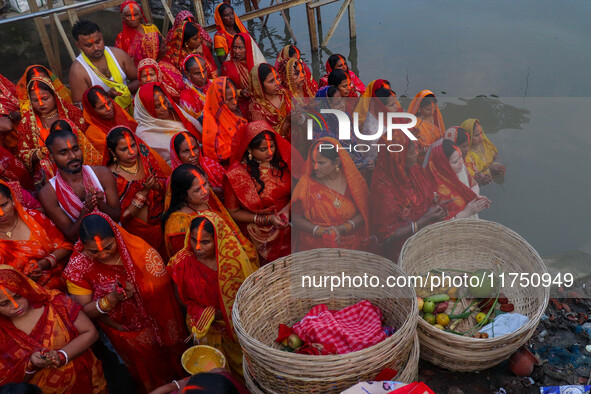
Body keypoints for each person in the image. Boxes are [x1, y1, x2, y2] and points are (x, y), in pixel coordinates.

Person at [63, 213, 186, 393]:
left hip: (161, 318)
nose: (103, 255)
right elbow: (82, 312)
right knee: (148, 369)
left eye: (108, 247)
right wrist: (110, 300)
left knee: (177, 358)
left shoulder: (136, 249)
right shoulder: (77, 267)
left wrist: (139, 289)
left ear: (116, 236)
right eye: (93, 251)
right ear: (82, 245)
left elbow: (161, 283)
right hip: (124, 331)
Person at [168, 213, 256, 378]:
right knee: (213, 372)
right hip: (202, 329)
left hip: (232, 326)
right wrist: (200, 314)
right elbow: (179, 295)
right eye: (194, 240)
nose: (198, 247)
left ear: (219, 240)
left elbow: (246, 298)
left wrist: (220, 313)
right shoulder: (180, 262)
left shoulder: (234, 263)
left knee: (241, 369)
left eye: (205, 242)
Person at [0, 265, 106, 393]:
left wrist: (62, 356)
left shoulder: (55, 302)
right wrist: (31, 365)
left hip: (85, 381)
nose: (16, 306)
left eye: (18, 296)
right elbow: (7, 382)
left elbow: (90, 333)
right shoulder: (2, 333)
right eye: (4, 304)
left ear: (25, 287)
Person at [224, 121, 294, 264]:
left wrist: (287, 210)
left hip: (289, 228)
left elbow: (300, 190)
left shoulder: (283, 164)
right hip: (259, 239)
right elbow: (233, 212)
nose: (270, 152)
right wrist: (266, 220)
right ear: (250, 149)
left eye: (272, 146)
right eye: (263, 149)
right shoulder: (237, 175)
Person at [162, 164, 258, 267]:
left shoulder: (207, 199)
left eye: (205, 184)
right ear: (183, 195)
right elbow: (188, 263)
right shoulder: (178, 224)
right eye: (197, 190)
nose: (205, 191)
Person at [370, 132, 446, 261]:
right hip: (402, 252)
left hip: (425, 237)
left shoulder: (413, 171)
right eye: (412, 151)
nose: (416, 153)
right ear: (397, 156)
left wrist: (436, 205)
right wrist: (424, 220)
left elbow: (426, 195)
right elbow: (387, 237)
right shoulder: (383, 189)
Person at [15, 77, 102, 188]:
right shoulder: (26, 122)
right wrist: (41, 153)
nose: (41, 104)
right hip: (47, 170)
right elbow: (22, 154)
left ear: (54, 95)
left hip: (76, 160)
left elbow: (86, 141)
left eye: (45, 98)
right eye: (35, 100)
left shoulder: (71, 112)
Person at [38, 129, 121, 243]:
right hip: (85, 248)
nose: (72, 156)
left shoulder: (102, 173)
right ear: (52, 158)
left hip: (117, 237)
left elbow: (117, 217)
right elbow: (71, 235)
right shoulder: (48, 193)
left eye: (75, 149)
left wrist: (100, 204)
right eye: (63, 153)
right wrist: (86, 209)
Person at [292, 138, 370, 251]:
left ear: (337, 162)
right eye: (313, 162)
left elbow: (364, 211)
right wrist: (321, 231)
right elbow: (296, 217)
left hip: (351, 248)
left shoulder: (353, 183)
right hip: (315, 250)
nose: (315, 167)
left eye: (321, 163)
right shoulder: (306, 185)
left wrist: (343, 228)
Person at [105, 126, 169, 255]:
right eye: (124, 149)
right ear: (113, 152)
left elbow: (166, 183)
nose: (132, 151)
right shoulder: (111, 176)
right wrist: (143, 193)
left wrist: (156, 186)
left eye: (133, 145)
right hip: (138, 236)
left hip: (163, 224)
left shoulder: (145, 158)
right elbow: (122, 217)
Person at [0, 181, 72, 290]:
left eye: (4, 205)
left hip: (63, 283)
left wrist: (43, 264)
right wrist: (23, 279)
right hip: (22, 297)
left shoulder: (35, 218)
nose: (1, 213)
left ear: (12, 200)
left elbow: (65, 247)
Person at [69, 20, 139, 111]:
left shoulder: (119, 55)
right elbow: (80, 107)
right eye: (88, 45)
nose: (96, 48)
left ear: (102, 36)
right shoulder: (77, 71)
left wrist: (124, 90)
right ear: (78, 45)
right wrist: (107, 96)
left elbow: (139, 80)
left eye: (98, 42)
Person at [134, 82, 202, 163]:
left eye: (165, 102)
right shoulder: (144, 134)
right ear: (146, 109)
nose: (164, 108)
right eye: (157, 106)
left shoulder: (176, 113)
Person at [424, 139, 491, 220]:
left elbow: (473, 184)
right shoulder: (432, 190)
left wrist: (475, 197)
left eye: (460, 157)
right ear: (442, 165)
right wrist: (467, 212)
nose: (461, 163)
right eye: (455, 162)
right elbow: (437, 223)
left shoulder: (461, 169)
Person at [160, 20, 217, 97]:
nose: (200, 41)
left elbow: (212, 73)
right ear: (186, 42)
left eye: (199, 37)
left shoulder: (197, 51)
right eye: (195, 39)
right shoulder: (175, 59)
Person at [202, 77, 248, 164]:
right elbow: (217, 153)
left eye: (236, 97)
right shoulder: (211, 124)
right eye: (230, 99)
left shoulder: (238, 111)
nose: (235, 102)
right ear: (219, 100)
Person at [82, 85, 138, 153]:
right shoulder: (92, 134)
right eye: (101, 107)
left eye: (109, 103)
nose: (109, 108)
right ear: (92, 111)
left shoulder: (121, 116)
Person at [221, 32, 266, 116]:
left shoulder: (258, 65)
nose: (236, 51)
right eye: (234, 47)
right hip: (238, 103)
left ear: (248, 48)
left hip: (259, 100)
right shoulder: (227, 66)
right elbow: (223, 89)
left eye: (240, 48)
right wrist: (240, 92)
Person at [168, 132, 225, 197]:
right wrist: (210, 191)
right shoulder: (177, 180)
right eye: (186, 151)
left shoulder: (209, 163)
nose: (193, 155)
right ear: (176, 155)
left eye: (194, 148)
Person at [249, 63, 292, 140]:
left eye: (277, 78)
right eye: (271, 81)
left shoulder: (284, 93)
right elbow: (264, 139)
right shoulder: (256, 108)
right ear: (259, 85)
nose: (278, 83)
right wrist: (287, 123)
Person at [407, 90, 445, 160]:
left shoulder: (436, 121)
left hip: (435, 158)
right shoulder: (413, 124)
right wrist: (426, 149)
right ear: (419, 109)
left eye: (434, 108)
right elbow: (409, 148)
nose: (432, 112)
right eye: (428, 109)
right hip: (418, 160)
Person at [180, 54, 212, 121]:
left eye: (204, 71)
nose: (203, 76)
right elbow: (193, 124)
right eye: (197, 73)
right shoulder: (186, 98)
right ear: (187, 74)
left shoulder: (214, 85)